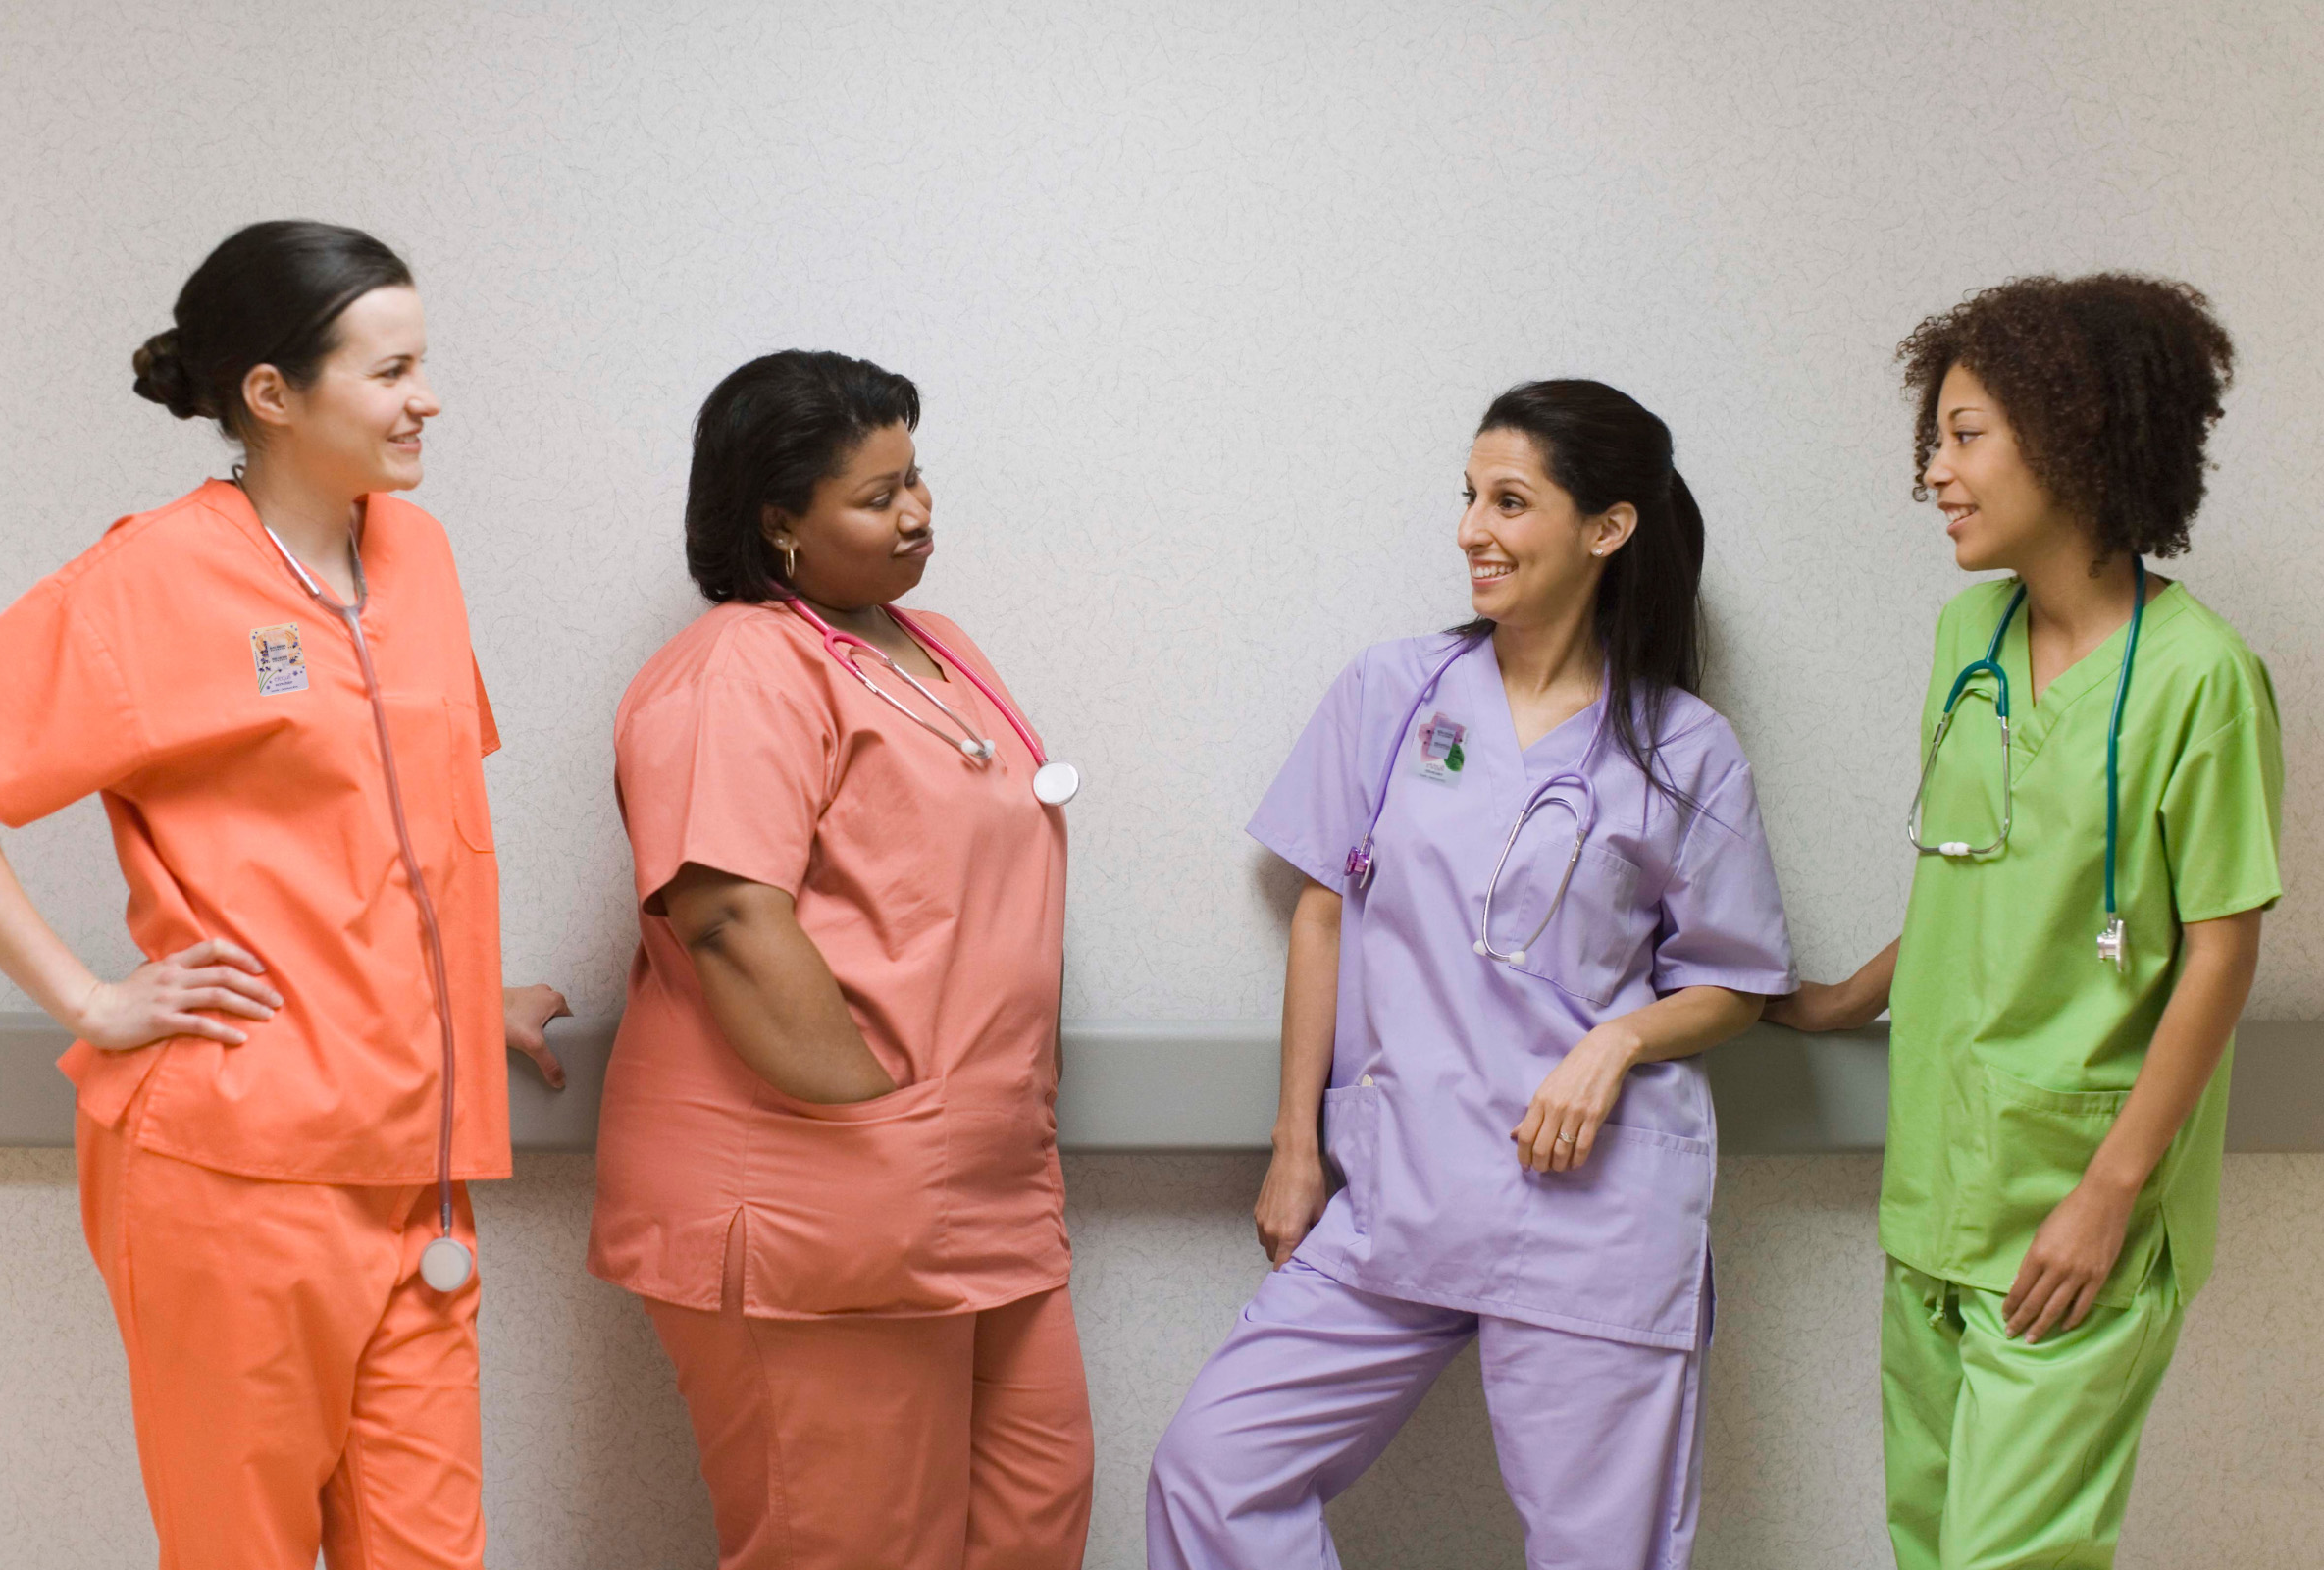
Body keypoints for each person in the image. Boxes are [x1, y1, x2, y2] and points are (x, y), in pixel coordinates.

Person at [0, 220, 568, 1570]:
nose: (427, 396)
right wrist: (85, 996)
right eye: (390, 369)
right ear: (271, 392)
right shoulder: (156, 574)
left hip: (417, 1169)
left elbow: (401, 827)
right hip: (237, 1165)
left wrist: (463, 996)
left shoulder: (417, 557)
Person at [1147, 380, 1796, 1570]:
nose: (1470, 530)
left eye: (1510, 501)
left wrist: (1615, 1042)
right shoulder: (1392, 695)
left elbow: (1732, 982)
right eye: (1468, 497)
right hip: (1399, 1187)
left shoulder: (1681, 744)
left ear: (1606, 528)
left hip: (1587, 1209)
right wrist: (1295, 1146)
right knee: (1212, 1470)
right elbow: (1323, 913)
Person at [1766, 274, 2279, 1570]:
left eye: (1965, 434)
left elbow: (2221, 948)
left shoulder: (2200, 681)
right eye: (1933, 438)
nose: (1935, 471)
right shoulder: (1963, 641)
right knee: (1933, 1549)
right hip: (1940, 1191)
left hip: (2073, 1216)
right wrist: (1842, 1000)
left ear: (2077, 430)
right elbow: (1973, 879)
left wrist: (2111, 1194)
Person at [587, 349, 1092, 1570]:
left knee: (1035, 1514)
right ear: (780, 524)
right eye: (877, 496)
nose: (918, 512)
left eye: (915, 477)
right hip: (829, 1191)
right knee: (858, 1547)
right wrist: (884, 1123)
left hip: (985, 1185)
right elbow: (728, 921)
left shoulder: (941, 646)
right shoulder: (740, 667)